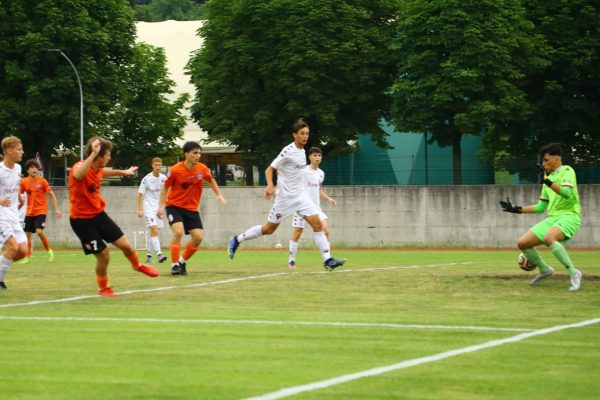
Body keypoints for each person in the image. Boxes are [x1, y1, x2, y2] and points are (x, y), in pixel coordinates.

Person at [228, 119, 345, 270]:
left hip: (301, 197)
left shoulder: (303, 151)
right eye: (302, 133)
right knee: (268, 230)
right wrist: (270, 185)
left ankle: (327, 260)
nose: (305, 136)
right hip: (285, 199)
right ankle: (237, 239)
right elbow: (269, 169)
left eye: (307, 133)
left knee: (318, 225)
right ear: (294, 135)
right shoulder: (288, 151)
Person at [69, 137, 159, 296]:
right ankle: (103, 288)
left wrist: (123, 172)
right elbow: (77, 175)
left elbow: (104, 171)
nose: (109, 158)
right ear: (98, 155)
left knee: (126, 245)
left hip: (98, 215)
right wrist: (92, 154)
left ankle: (137, 265)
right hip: (81, 221)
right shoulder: (80, 166)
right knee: (104, 255)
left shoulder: (97, 169)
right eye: (107, 155)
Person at [500, 143, 582, 291]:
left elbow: (567, 193)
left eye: (546, 160)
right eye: (543, 161)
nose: (543, 164)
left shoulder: (567, 171)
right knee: (522, 243)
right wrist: (516, 209)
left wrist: (548, 182)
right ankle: (545, 270)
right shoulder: (547, 180)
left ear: (557, 159)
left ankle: (574, 273)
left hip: (569, 216)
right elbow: (540, 207)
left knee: (549, 238)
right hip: (553, 218)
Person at [157, 141, 227, 276]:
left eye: (200, 153)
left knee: (198, 237)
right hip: (174, 206)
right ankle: (174, 265)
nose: (198, 155)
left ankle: (182, 261)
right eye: (195, 153)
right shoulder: (176, 170)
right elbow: (166, 186)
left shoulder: (202, 168)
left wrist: (219, 195)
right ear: (186, 154)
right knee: (178, 232)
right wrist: (160, 206)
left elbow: (211, 180)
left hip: (192, 209)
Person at [287, 147, 337, 269]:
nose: (317, 158)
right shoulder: (303, 171)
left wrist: (329, 198)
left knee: (325, 231)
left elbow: (319, 190)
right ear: (309, 157)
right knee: (298, 232)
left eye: (319, 156)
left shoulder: (321, 173)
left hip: (316, 208)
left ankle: (327, 260)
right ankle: (291, 260)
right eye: (315, 155)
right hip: (301, 207)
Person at [18, 159, 63, 263]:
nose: (34, 169)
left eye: (36, 167)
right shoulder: (24, 182)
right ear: (28, 170)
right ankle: (28, 257)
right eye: (32, 167)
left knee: (39, 231)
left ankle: (49, 251)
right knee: (27, 235)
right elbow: (18, 195)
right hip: (29, 212)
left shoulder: (42, 181)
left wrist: (56, 209)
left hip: (41, 211)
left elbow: (51, 194)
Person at [0, 136, 28, 290]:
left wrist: (19, 199)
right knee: (12, 247)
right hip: (1, 214)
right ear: (9, 151)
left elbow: (14, 187)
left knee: (23, 251)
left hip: (13, 215)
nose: (21, 152)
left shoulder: (18, 169)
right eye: (18, 149)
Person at [137, 157, 168, 263]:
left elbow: (166, 194)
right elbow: (140, 194)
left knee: (154, 232)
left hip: (158, 208)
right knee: (154, 229)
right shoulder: (146, 179)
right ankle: (160, 255)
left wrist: (161, 208)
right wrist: (140, 209)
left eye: (160, 165)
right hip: (148, 207)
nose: (158, 167)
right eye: (156, 165)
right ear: (152, 165)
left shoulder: (164, 178)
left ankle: (149, 255)